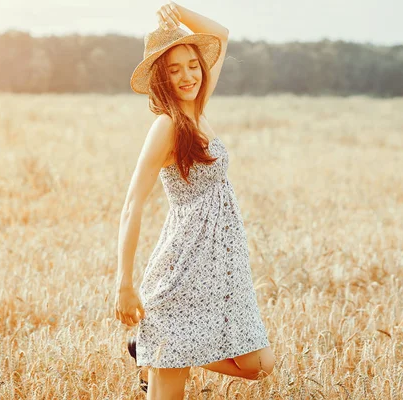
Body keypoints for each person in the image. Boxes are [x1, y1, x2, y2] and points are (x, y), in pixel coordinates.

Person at [114, 2, 275, 399]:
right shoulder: (167, 126)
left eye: (192, 64)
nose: (188, 75)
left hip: (219, 266)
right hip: (183, 265)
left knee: (258, 365)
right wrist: (123, 284)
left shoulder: (198, 107)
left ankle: (150, 347)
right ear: (161, 79)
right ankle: (158, 345)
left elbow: (220, 35)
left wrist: (178, 12)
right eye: (174, 69)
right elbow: (132, 203)